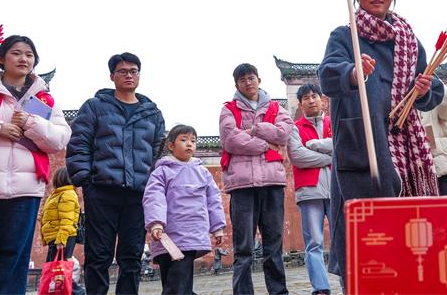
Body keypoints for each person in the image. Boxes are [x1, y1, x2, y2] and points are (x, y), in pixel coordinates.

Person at [318, 0, 444, 288]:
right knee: (364, 240)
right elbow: (327, 75)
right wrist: (351, 72)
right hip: (362, 147)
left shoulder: (409, 41)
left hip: (405, 151)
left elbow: (429, 94)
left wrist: (426, 88)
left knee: (406, 241)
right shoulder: (345, 36)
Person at [0, 35, 71, 294]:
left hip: (25, 189)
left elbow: (59, 139)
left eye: (29, 54)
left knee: (14, 257)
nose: (23, 59)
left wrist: (31, 123)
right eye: (16, 53)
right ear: (1, 58)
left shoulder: (45, 101)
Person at [66, 52, 166, 295]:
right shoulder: (95, 107)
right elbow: (79, 142)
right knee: (98, 254)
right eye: (123, 71)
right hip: (102, 190)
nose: (129, 75)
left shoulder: (152, 112)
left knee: (132, 256)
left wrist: (152, 184)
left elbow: (158, 151)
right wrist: (85, 180)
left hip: (138, 194)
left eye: (134, 71)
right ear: (112, 76)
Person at [219, 63, 293, 295]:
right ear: (237, 85)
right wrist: (266, 144)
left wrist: (254, 129)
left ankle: (279, 291)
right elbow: (231, 140)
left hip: (272, 182)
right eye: (243, 80)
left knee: (274, 244)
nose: (248, 83)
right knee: (243, 248)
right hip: (242, 186)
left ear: (258, 80)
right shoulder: (228, 110)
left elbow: (283, 134)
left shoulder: (276, 107)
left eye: (251, 78)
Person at [143, 124, 226, 295]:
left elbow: (213, 200)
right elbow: (154, 198)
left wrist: (217, 228)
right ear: (171, 146)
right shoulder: (161, 172)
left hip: (191, 234)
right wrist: (156, 223)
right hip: (167, 235)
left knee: (176, 285)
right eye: (184, 140)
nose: (189, 144)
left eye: (193, 141)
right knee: (173, 283)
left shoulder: (203, 172)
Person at [286, 83, 333, 295]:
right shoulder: (295, 127)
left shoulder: (335, 121)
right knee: (314, 242)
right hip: (309, 191)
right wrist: (329, 157)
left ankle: (347, 283)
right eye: (306, 98)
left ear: (322, 100)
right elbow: (297, 156)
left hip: (336, 189)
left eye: (314, 96)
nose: (311, 100)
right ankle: (321, 288)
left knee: (343, 239)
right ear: (300, 103)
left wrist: (314, 144)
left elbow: (342, 145)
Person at [40, 167, 81, 262]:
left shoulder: (67, 194)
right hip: (56, 236)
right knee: (54, 270)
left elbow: (67, 220)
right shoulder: (58, 194)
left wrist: (61, 240)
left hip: (61, 237)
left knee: (57, 271)